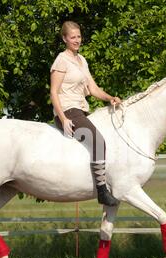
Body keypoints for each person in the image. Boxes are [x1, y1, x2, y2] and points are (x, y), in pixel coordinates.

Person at [50, 21, 121, 207]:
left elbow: (93, 88)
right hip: (67, 111)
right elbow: (54, 92)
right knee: (98, 141)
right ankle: (102, 191)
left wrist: (110, 98)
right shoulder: (61, 60)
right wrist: (63, 118)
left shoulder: (81, 60)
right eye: (72, 37)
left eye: (79, 36)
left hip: (79, 110)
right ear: (65, 38)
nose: (77, 40)